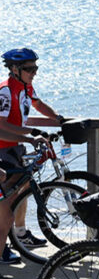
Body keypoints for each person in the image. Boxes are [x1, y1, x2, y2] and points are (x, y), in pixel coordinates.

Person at [0, 48, 60, 267]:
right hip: (3, 149)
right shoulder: (6, 91)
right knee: (5, 202)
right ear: (14, 70)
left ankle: (20, 233)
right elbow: (1, 125)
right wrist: (31, 135)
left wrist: (58, 118)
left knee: (24, 188)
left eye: (36, 67)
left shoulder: (25, 87)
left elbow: (38, 104)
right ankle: (3, 247)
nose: (34, 72)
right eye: (29, 69)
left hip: (15, 146)